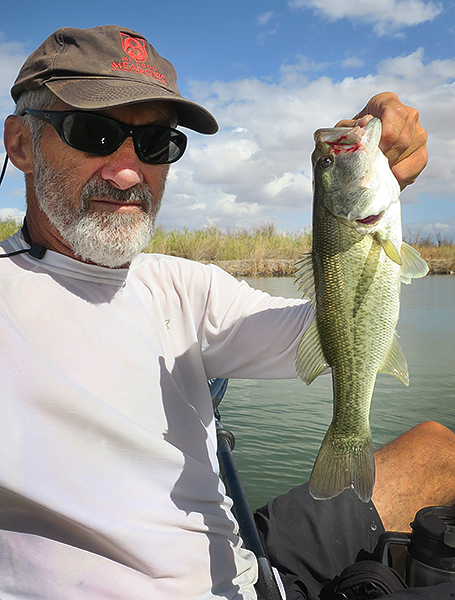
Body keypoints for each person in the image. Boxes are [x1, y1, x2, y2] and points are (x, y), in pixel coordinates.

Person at [1, 24, 454, 600]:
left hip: (249, 572)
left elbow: (333, 328)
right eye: (93, 132)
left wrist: (373, 184)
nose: (127, 171)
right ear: (20, 145)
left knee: (437, 447)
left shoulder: (185, 286)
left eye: (156, 142)